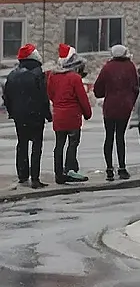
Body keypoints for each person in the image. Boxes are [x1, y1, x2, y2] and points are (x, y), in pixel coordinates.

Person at [2, 42, 51, 189]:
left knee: (22, 144)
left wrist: (12, 112)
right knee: (36, 146)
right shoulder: (37, 74)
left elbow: (7, 97)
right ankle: (35, 178)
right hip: (36, 115)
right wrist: (48, 114)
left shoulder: (13, 75)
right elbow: (43, 96)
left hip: (19, 116)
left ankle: (22, 176)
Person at [47, 44, 92, 184]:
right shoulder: (74, 78)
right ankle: (70, 169)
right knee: (73, 144)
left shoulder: (52, 76)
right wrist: (87, 113)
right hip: (73, 117)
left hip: (59, 116)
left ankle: (58, 173)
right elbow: (82, 98)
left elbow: (50, 94)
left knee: (59, 145)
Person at [93, 44, 139, 181]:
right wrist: (130, 100)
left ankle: (109, 168)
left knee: (109, 137)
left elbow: (98, 90)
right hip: (124, 107)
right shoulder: (130, 67)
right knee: (120, 137)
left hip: (110, 107)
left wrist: (106, 93)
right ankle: (122, 167)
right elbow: (136, 87)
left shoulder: (107, 68)